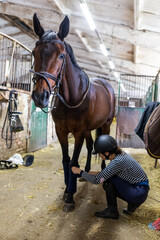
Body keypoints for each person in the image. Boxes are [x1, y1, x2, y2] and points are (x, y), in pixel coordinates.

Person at [71, 135, 149, 219]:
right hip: (141, 189)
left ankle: (112, 211)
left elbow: (97, 180)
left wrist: (80, 171)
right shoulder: (120, 155)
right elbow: (108, 173)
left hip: (138, 193)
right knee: (109, 177)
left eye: (100, 153)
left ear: (107, 153)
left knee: (108, 181)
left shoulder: (117, 162)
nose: (99, 155)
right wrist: (94, 173)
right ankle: (132, 204)